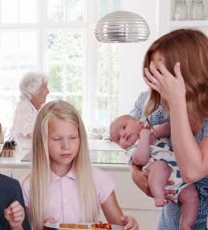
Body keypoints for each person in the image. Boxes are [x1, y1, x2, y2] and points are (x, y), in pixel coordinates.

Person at [131, 28, 208, 229]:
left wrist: (177, 101)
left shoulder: (177, 107)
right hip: (169, 223)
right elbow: (137, 138)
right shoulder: (163, 110)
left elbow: (192, 171)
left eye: (160, 71)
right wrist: (135, 171)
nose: (155, 79)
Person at [22, 100, 138, 230]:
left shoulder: (98, 179)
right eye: (57, 139)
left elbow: (119, 225)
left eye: (72, 137)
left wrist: (130, 225)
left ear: (81, 138)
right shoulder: (29, 186)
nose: (66, 146)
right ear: (42, 140)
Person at [110, 114, 198, 229]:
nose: (123, 134)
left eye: (124, 127)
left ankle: (185, 224)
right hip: (161, 180)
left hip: (180, 178)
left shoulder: (151, 130)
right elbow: (141, 159)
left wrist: (154, 131)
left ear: (140, 122)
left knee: (192, 196)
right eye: (118, 138)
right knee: (160, 166)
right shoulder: (133, 149)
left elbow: (169, 128)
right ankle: (158, 195)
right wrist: (144, 139)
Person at [10, 72, 49, 148]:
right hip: (25, 153)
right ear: (34, 90)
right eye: (44, 87)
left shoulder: (41, 107)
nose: (48, 91)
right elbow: (36, 134)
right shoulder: (23, 110)